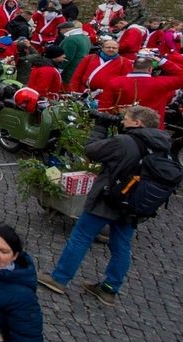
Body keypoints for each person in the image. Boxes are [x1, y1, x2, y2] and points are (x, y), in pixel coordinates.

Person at [38, 105, 172, 306]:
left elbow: (91, 151)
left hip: (109, 198)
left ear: (138, 123)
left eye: (126, 118)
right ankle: (109, 289)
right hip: (134, 204)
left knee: (81, 236)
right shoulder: (162, 145)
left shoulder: (125, 141)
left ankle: (59, 278)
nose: (122, 120)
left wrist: (100, 127)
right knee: (121, 246)